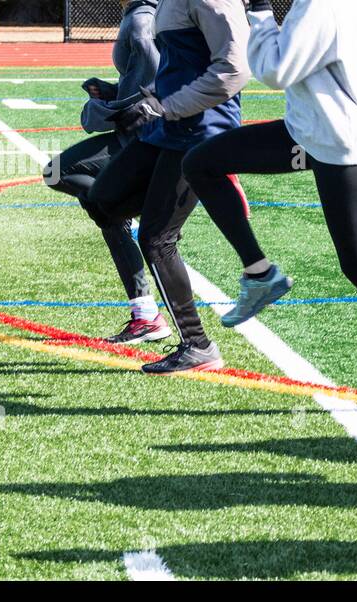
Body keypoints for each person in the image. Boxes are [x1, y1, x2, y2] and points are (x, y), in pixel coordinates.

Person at [180, 0, 357, 416]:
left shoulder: (320, 4)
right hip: (309, 132)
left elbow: (276, 71)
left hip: (338, 141)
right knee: (201, 162)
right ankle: (260, 274)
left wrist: (259, 13)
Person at [83, 0, 251, 374]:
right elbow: (177, 66)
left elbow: (234, 70)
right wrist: (136, 100)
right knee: (101, 201)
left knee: (157, 239)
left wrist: (165, 105)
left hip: (202, 131)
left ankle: (197, 344)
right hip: (167, 126)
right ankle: (190, 200)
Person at [43, 0, 166, 345]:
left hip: (140, 139)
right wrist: (113, 91)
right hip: (138, 135)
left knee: (60, 173)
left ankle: (120, 205)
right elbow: (144, 80)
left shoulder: (142, 19)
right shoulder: (142, 13)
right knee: (105, 211)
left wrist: (110, 107)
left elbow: (156, 84)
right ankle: (145, 315)